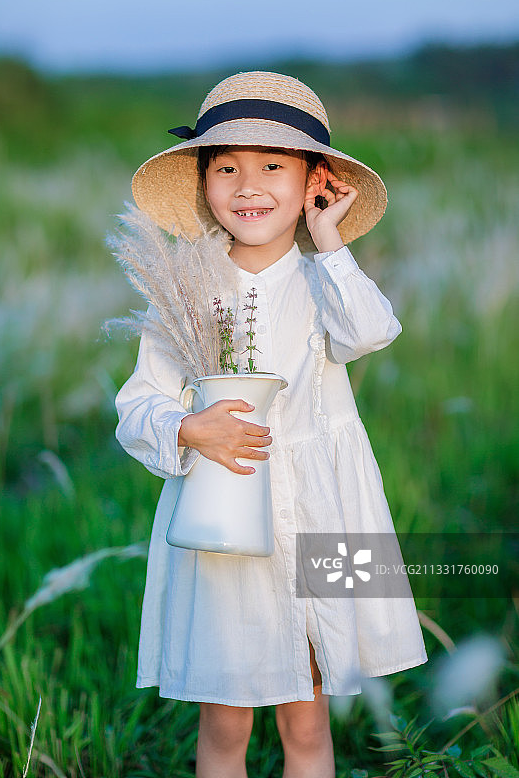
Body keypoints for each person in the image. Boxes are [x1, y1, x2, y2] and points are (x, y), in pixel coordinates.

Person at [113, 71, 428, 778]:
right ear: (203, 183)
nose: (248, 186)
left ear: (314, 181)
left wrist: (329, 238)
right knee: (224, 721)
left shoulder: (324, 279)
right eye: (226, 168)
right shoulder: (185, 288)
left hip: (321, 515)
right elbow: (138, 404)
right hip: (223, 518)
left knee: (307, 716)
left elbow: (371, 332)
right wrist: (188, 428)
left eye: (273, 167)